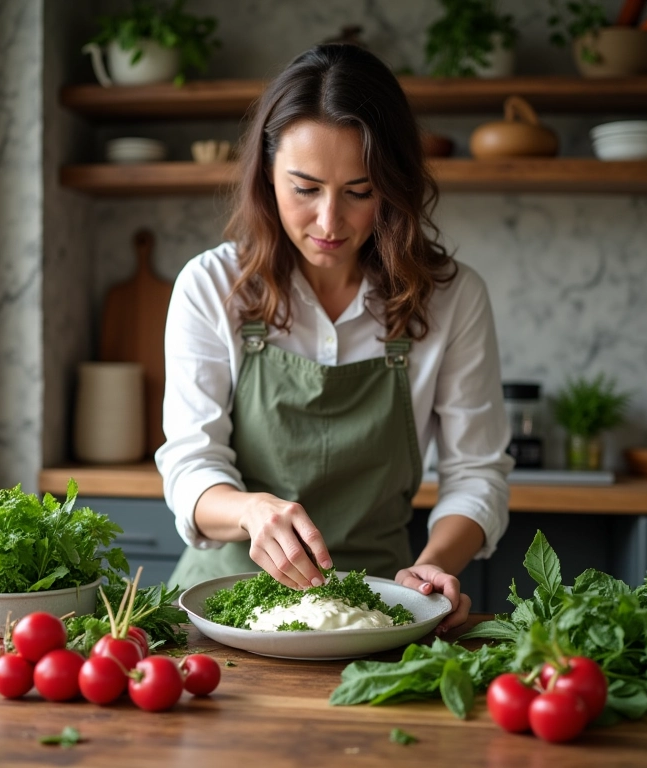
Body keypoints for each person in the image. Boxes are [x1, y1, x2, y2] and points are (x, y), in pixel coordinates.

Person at [156, 43, 513, 632]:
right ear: (267, 174)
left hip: (379, 609)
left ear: (394, 186)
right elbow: (191, 464)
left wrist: (432, 568)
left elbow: (476, 473)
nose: (328, 222)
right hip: (219, 609)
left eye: (359, 191)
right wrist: (251, 512)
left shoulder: (452, 297)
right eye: (305, 188)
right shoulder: (212, 285)